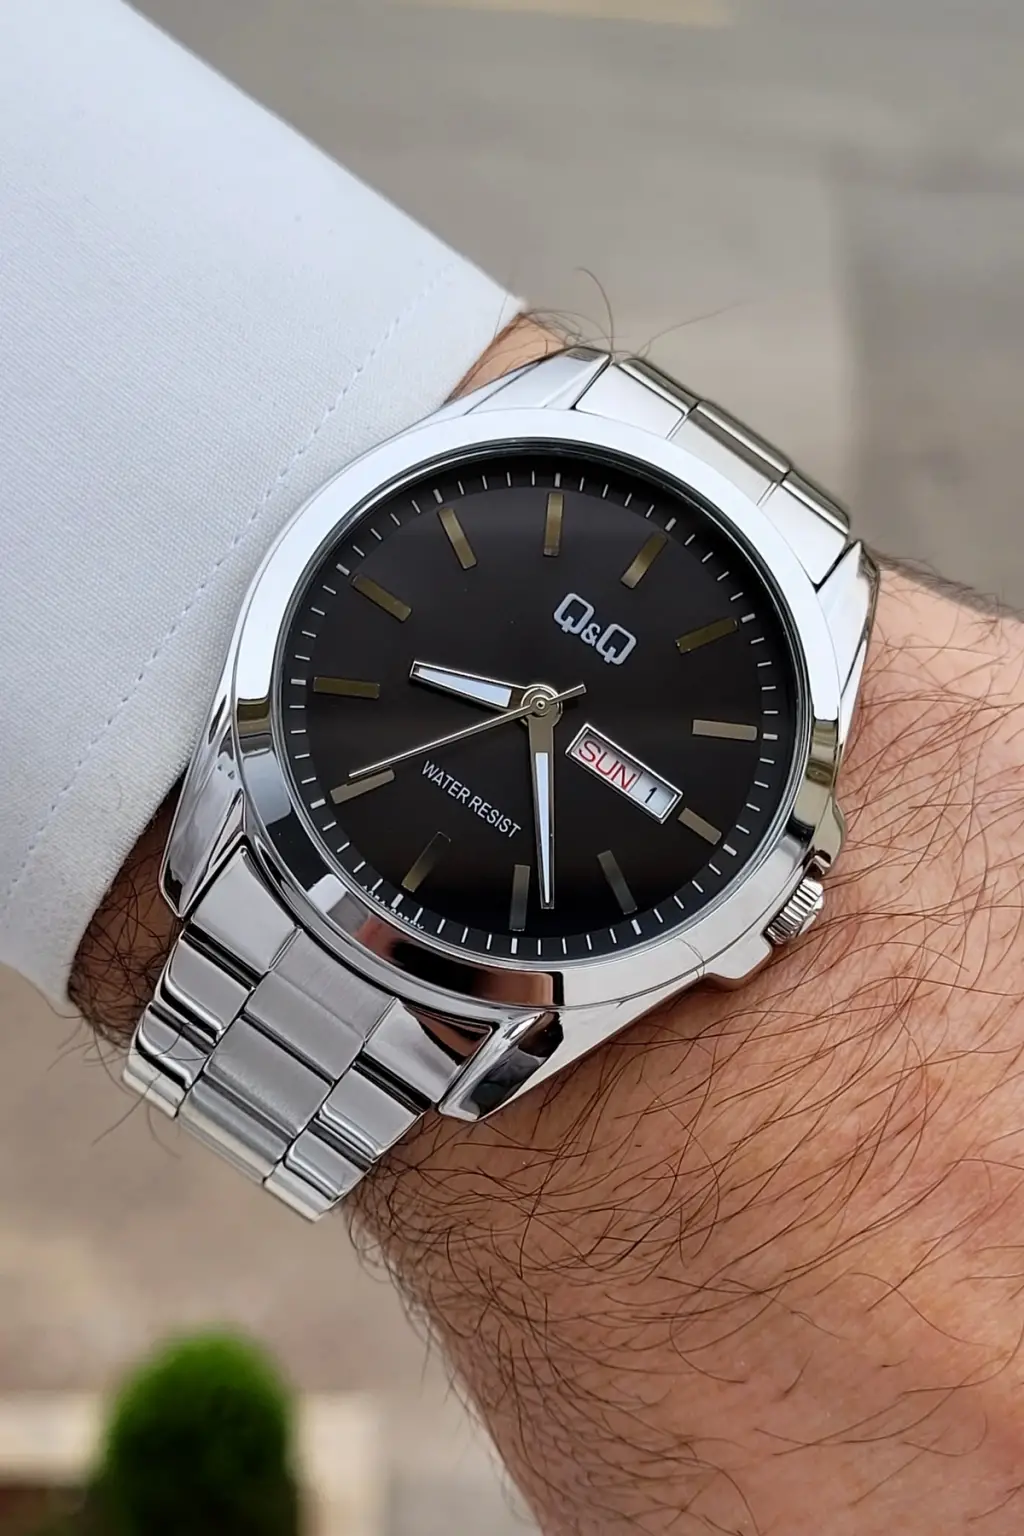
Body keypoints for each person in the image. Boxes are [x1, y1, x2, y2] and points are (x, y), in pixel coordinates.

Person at [4, 4, 1024, 1534]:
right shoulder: (344, 611)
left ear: (780, 898)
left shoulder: (725, 874)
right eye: (536, 699)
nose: (546, 708)